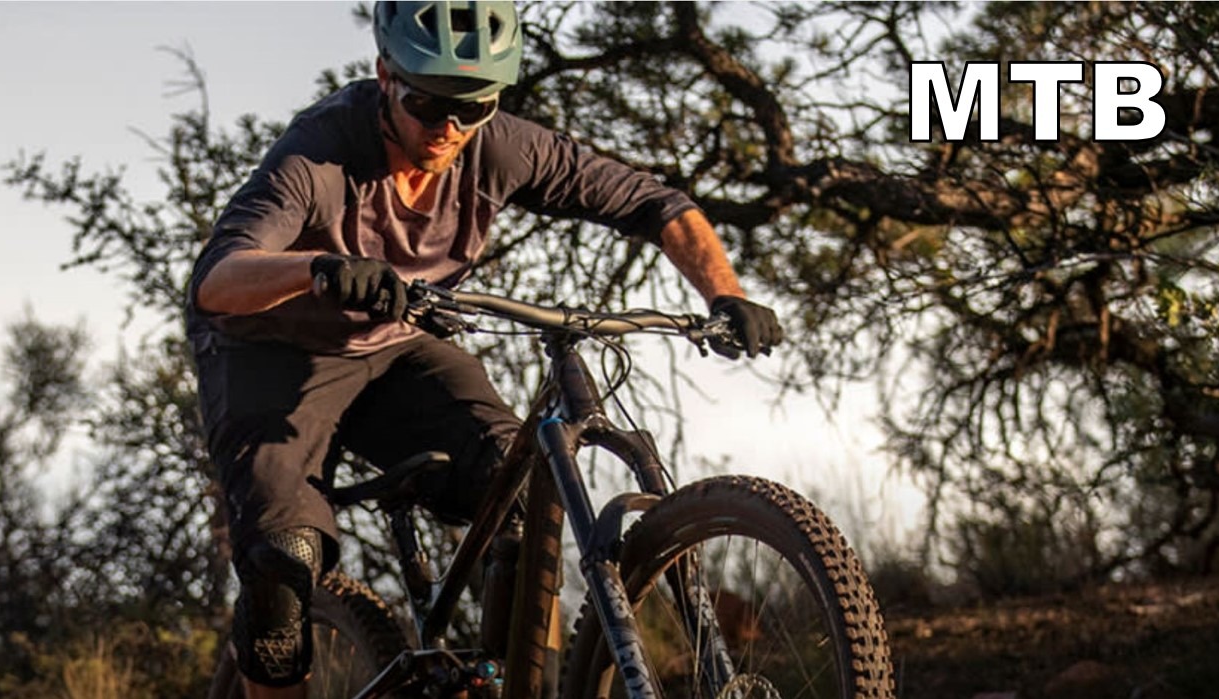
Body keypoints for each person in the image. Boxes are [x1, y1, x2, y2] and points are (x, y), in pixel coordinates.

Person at [187, 1, 782, 696]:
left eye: (471, 107)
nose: (448, 127)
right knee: (283, 563)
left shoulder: (497, 147)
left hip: (395, 350)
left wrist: (726, 294)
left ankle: (514, 682)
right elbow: (218, 279)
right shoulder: (321, 153)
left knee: (520, 490)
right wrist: (317, 268)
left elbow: (653, 203)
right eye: (426, 103)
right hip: (270, 354)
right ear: (385, 76)